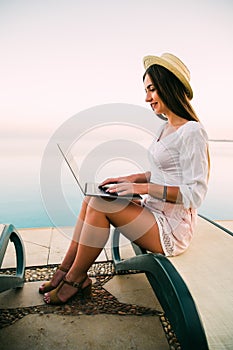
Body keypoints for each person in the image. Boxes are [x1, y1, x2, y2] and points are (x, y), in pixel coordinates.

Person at [40, 52, 210, 305]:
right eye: (146, 90)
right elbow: (165, 172)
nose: (146, 97)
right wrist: (128, 178)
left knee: (100, 206)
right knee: (92, 198)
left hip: (172, 227)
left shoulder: (192, 131)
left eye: (152, 89)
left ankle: (75, 280)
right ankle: (65, 270)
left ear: (169, 86)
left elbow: (195, 194)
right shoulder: (165, 128)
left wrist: (139, 187)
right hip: (153, 212)